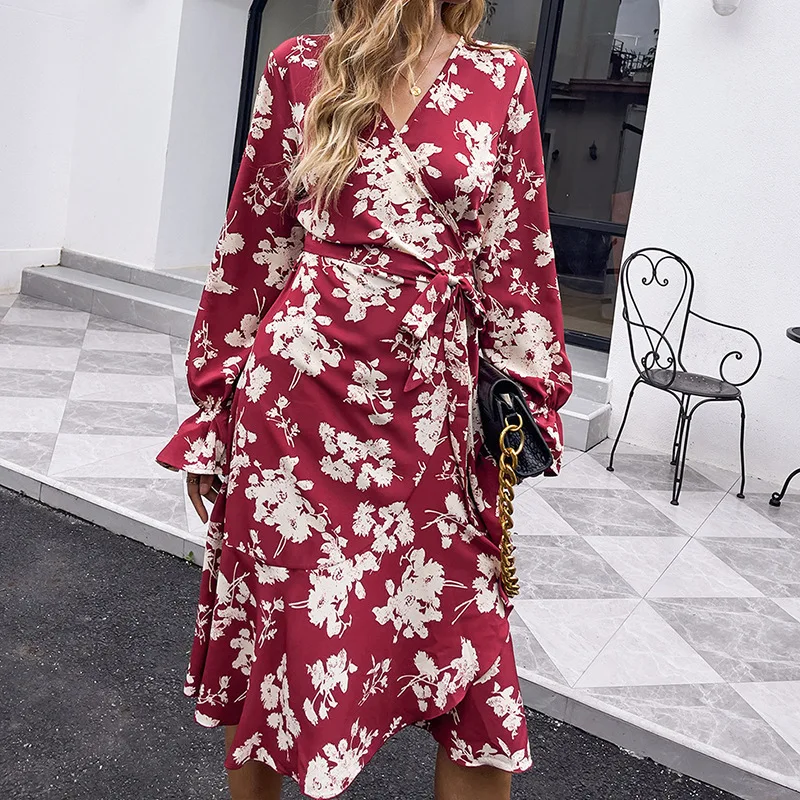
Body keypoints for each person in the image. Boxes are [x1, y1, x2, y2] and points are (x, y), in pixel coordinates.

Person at [155, 1, 573, 797]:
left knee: (474, 655)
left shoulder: (499, 77)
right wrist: (212, 415)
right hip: (296, 413)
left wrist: (528, 397)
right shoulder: (298, 66)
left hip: (433, 413)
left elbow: (517, 256)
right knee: (282, 636)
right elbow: (253, 247)